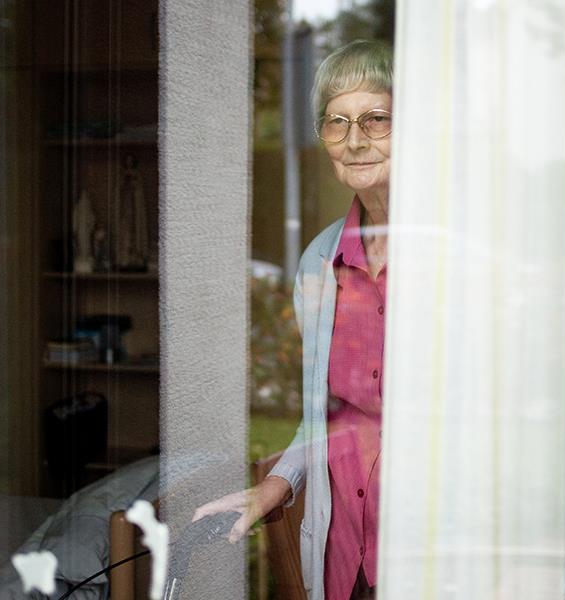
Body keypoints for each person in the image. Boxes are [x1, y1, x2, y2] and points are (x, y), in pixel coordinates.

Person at [193, 39, 393, 600]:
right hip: (343, 549)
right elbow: (322, 417)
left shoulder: (446, 261)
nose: (355, 140)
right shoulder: (319, 262)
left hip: (424, 545)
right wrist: (278, 483)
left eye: (377, 119)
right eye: (337, 122)